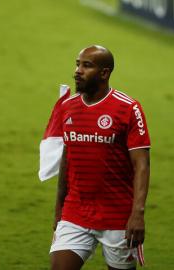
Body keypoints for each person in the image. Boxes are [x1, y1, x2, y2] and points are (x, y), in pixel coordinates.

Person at [47, 45, 151, 270]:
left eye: (86, 65)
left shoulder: (128, 108)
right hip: (76, 212)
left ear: (104, 73)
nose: (77, 70)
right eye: (77, 64)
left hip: (117, 217)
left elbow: (141, 164)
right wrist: (59, 211)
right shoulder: (68, 107)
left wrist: (137, 214)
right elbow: (67, 160)